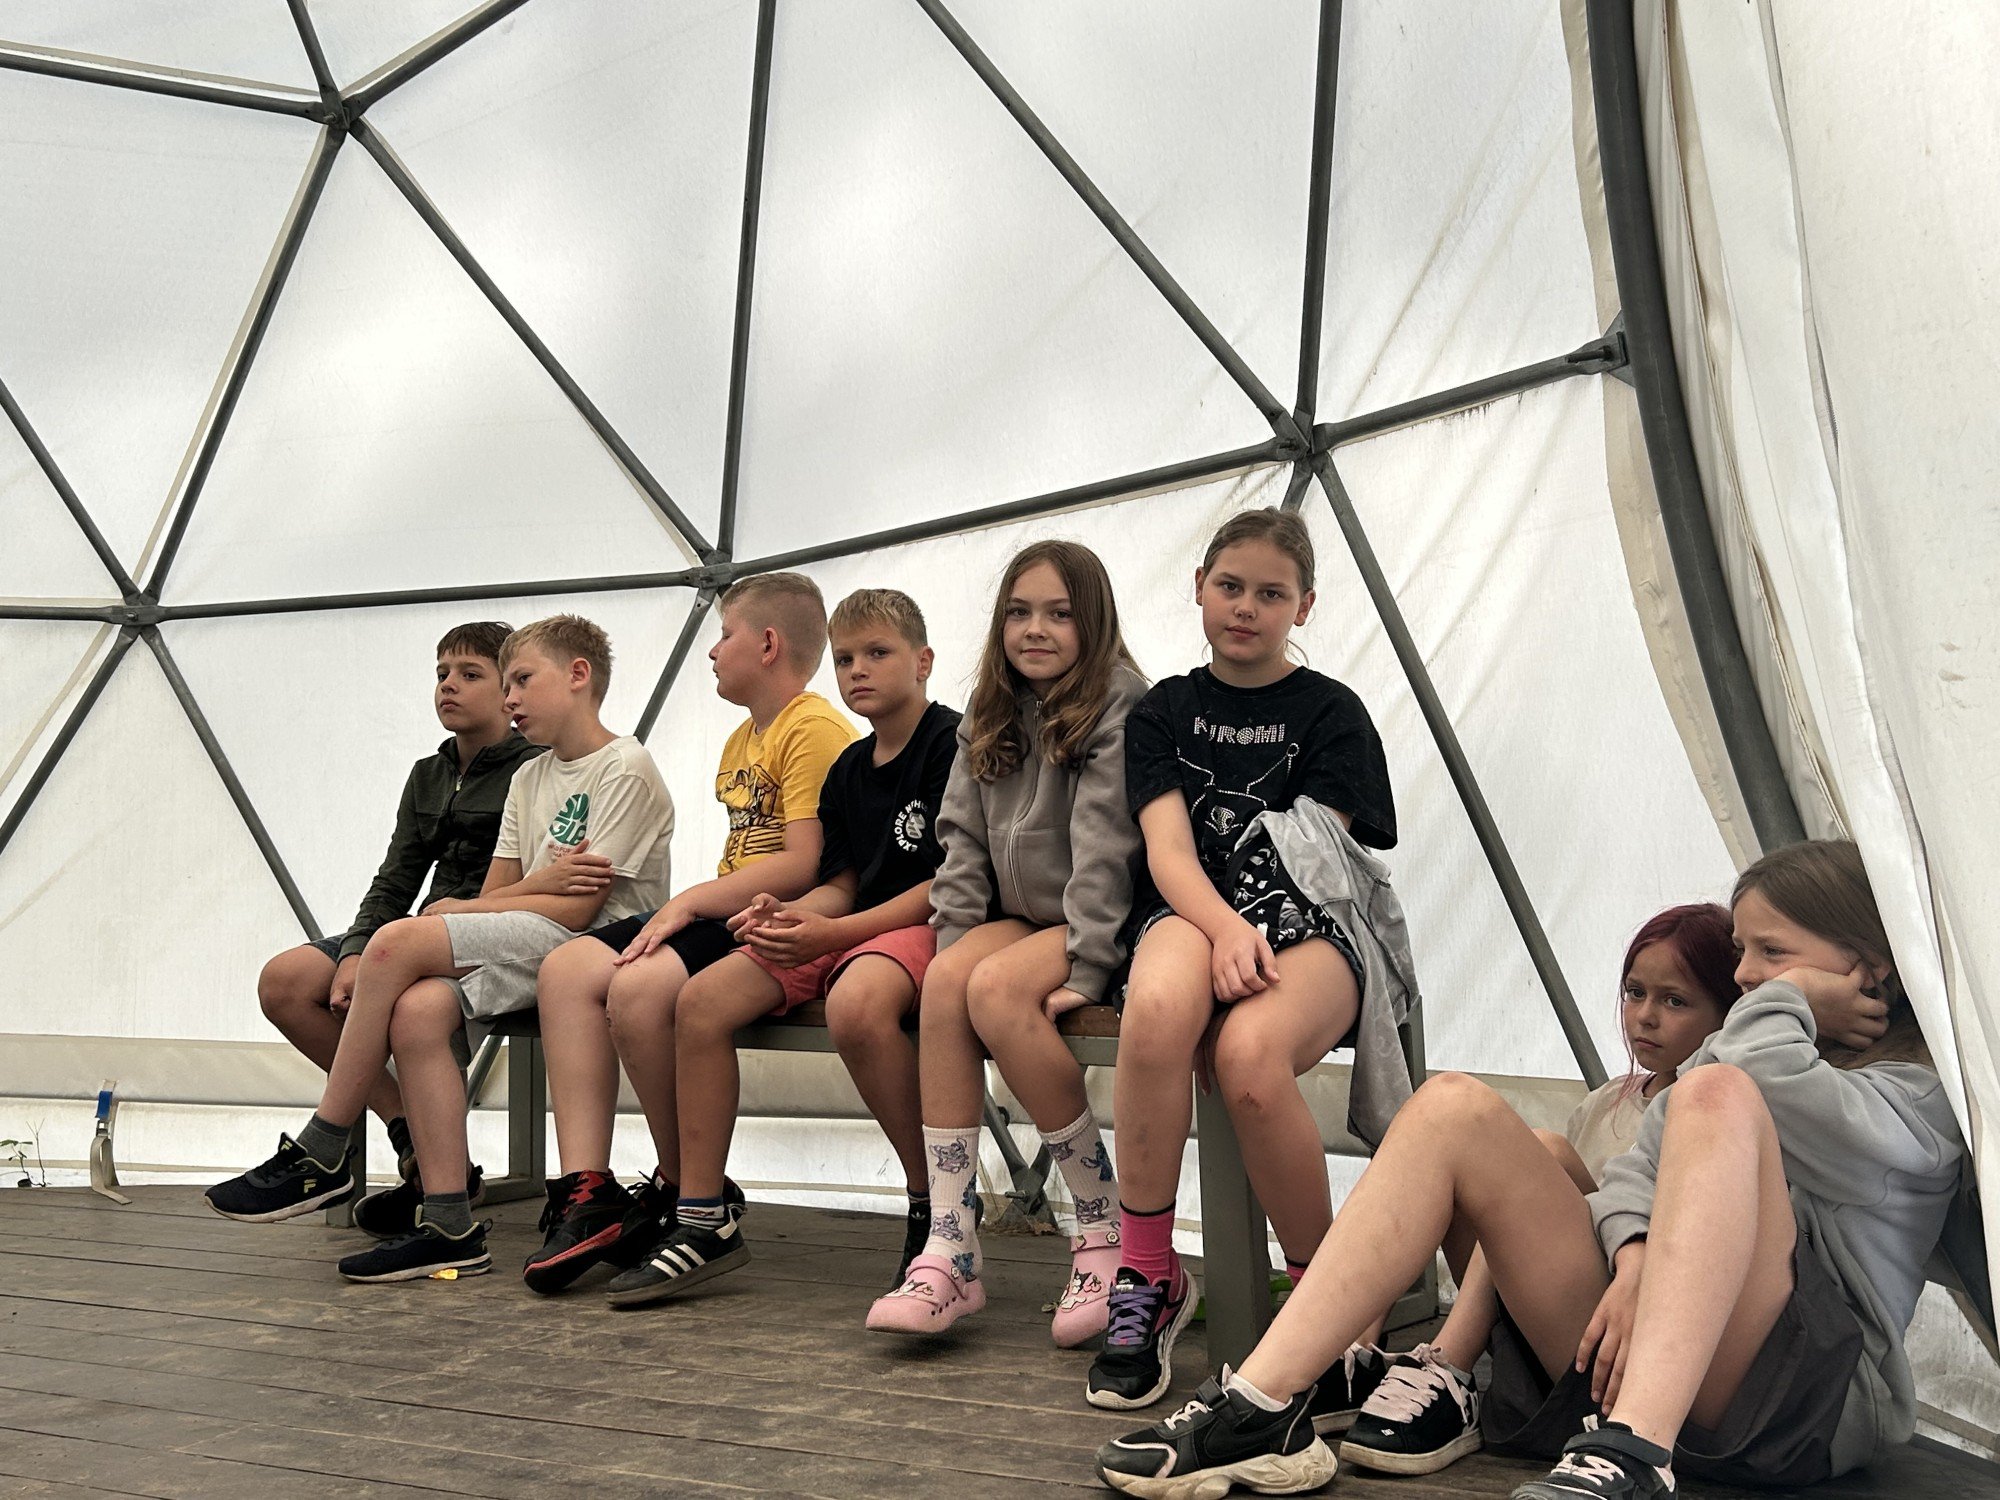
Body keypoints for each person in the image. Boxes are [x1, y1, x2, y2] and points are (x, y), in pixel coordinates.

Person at [1093, 839, 1961, 1500]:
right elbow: (1638, 1168)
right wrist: (1634, 1254)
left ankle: (1633, 1456)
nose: (1746, 977)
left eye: (1771, 955)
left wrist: (1787, 1003)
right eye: (1742, 952)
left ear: (1870, 970)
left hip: (1803, 1405)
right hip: (1648, 1362)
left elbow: (1770, 1091)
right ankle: (1261, 1404)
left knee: (1716, 1093)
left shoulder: (1917, 1101)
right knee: (1452, 1107)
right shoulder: (1738, 1056)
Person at [204, 615, 674, 1283]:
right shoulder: (531, 777)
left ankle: (325, 1145)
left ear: (579, 676)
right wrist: (499, 898)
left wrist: (460, 910)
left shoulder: (623, 767)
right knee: (419, 1008)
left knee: (398, 942)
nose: (510, 697)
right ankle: (450, 1222)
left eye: (520, 680)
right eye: (504, 683)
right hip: (531, 938)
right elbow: (502, 890)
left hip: (593, 947)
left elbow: (578, 909)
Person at [1089, 507, 1397, 1415]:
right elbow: (1168, 851)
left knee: (1249, 1057)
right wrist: (1222, 932)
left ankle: (1319, 1302)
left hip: (1310, 920)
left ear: (1304, 607)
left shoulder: (1333, 713)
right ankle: (1147, 1275)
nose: (1246, 608)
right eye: (1230, 586)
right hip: (1194, 910)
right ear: (1199, 588)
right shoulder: (1164, 710)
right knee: (1157, 1008)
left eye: (1271, 593)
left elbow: (1307, 858)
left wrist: (1242, 940)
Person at [606, 588, 960, 1304]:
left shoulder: (951, 743)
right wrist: (788, 916)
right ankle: (703, 1217)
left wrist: (835, 929)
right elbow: (840, 884)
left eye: (878, 653)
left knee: (857, 1007)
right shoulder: (850, 769)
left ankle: (935, 1204)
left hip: (933, 921)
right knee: (702, 1001)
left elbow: (951, 883)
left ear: (923, 662)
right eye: (845, 659)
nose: (858, 670)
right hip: (853, 925)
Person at [523, 573, 855, 1297]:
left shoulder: (813, 729)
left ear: (768, 645)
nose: (711, 651)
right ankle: (588, 1189)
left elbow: (805, 863)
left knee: (639, 989)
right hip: (725, 908)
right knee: (567, 971)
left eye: (725, 634)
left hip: (771, 914)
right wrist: (693, 907)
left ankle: (684, 1190)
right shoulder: (742, 737)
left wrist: (688, 904)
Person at [1340, 902, 1740, 1477]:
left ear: (1728, 1013)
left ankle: (1447, 1366)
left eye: (1675, 1001)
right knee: (1438, 1163)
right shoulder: (1606, 1103)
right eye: (1635, 993)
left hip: (1632, 1343)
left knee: (1543, 1149)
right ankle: (1355, 1352)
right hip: (1544, 1323)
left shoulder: (1722, 1113)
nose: (1645, 1017)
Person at [866, 540, 1146, 1347]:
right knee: (949, 978)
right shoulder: (989, 707)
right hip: (1019, 917)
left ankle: (1103, 1229)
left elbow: (1106, 847)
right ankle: (951, 1245)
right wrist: (955, 944)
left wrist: (1090, 962)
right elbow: (959, 842)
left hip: (1100, 921)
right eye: (1019, 612)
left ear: (1094, 620)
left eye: (1059, 613)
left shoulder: (1119, 701)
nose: (1036, 629)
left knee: (991, 989)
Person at [250, 621, 540, 1217]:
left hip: (484, 934)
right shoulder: (427, 774)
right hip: (415, 931)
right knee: (285, 982)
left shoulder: (537, 768)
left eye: (470, 674)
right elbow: (396, 878)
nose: (448, 686)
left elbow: (542, 882)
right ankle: (405, 1124)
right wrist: (356, 950)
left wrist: (406, 945)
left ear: (509, 690)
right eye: (441, 674)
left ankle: (421, 1174)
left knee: (415, 1003)